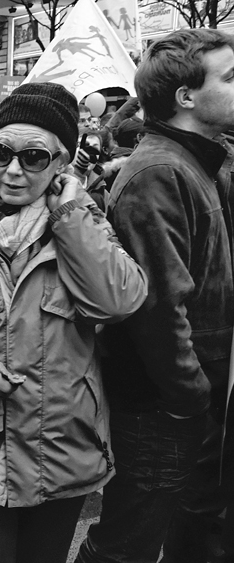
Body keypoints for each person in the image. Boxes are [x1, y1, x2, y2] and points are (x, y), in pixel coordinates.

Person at [0, 82, 147, 563]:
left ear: (61, 162)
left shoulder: (85, 222)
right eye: (0, 152)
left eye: (34, 157)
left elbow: (119, 301)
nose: (13, 170)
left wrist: (70, 217)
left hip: (61, 449)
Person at [76, 28, 234, 563]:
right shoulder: (160, 172)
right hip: (164, 406)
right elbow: (157, 309)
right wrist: (192, 397)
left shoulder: (198, 163)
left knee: (188, 527)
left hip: (190, 399)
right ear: (186, 96)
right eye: (231, 78)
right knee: (128, 542)